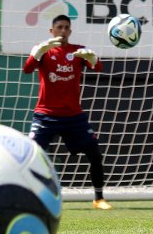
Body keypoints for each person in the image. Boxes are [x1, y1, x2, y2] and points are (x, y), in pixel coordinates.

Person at [23, 14, 113, 210]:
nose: (63, 31)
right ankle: (27, 198)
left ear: (70, 31)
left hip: (73, 117)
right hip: (45, 115)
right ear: (52, 31)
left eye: (66, 28)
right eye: (59, 27)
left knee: (95, 153)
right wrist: (39, 52)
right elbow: (27, 69)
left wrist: (92, 58)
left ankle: (99, 199)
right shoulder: (43, 50)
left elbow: (98, 67)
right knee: (30, 155)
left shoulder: (77, 51)